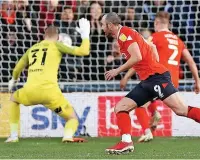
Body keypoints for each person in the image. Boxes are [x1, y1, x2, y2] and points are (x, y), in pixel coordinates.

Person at [101, 12, 200, 154]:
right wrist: (155, 64)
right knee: (120, 107)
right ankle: (126, 142)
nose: (102, 28)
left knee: (181, 110)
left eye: (103, 25)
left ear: (110, 25)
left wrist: (117, 71)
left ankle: (144, 131)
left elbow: (137, 57)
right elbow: (152, 48)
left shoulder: (125, 35)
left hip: (156, 78)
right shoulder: (126, 34)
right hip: (148, 80)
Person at [5, 18, 90, 143]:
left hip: (30, 92)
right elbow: (84, 51)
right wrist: (85, 35)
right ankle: (67, 136)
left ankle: (13, 136)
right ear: (57, 37)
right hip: (51, 94)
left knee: (13, 99)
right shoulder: (57, 45)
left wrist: (14, 79)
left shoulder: (32, 48)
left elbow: (18, 67)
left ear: (44, 35)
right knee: (72, 118)